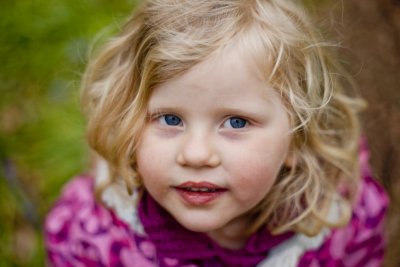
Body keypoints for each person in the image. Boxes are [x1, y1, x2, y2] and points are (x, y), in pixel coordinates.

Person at [44, 0, 389, 266]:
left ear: (296, 136)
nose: (195, 154)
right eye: (169, 119)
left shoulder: (340, 222)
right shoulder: (98, 232)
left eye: (236, 122)